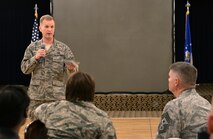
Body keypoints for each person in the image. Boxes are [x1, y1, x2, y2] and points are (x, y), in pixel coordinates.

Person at [21, 14, 78, 119]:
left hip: (57, 98)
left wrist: (71, 68)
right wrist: (35, 58)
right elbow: (24, 69)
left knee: (56, 128)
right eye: (46, 26)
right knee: (36, 129)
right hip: (37, 98)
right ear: (40, 28)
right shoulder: (32, 48)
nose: (49, 29)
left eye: (52, 27)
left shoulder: (63, 48)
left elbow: (73, 70)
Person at [34, 72, 117, 139]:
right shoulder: (102, 118)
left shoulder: (46, 109)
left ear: (68, 90)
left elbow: (34, 120)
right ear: (91, 92)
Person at [156, 62, 211, 139]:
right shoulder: (206, 103)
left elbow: (164, 137)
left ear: (176, 82)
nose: (168, 80)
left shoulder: (173, 106)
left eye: (169, 77)